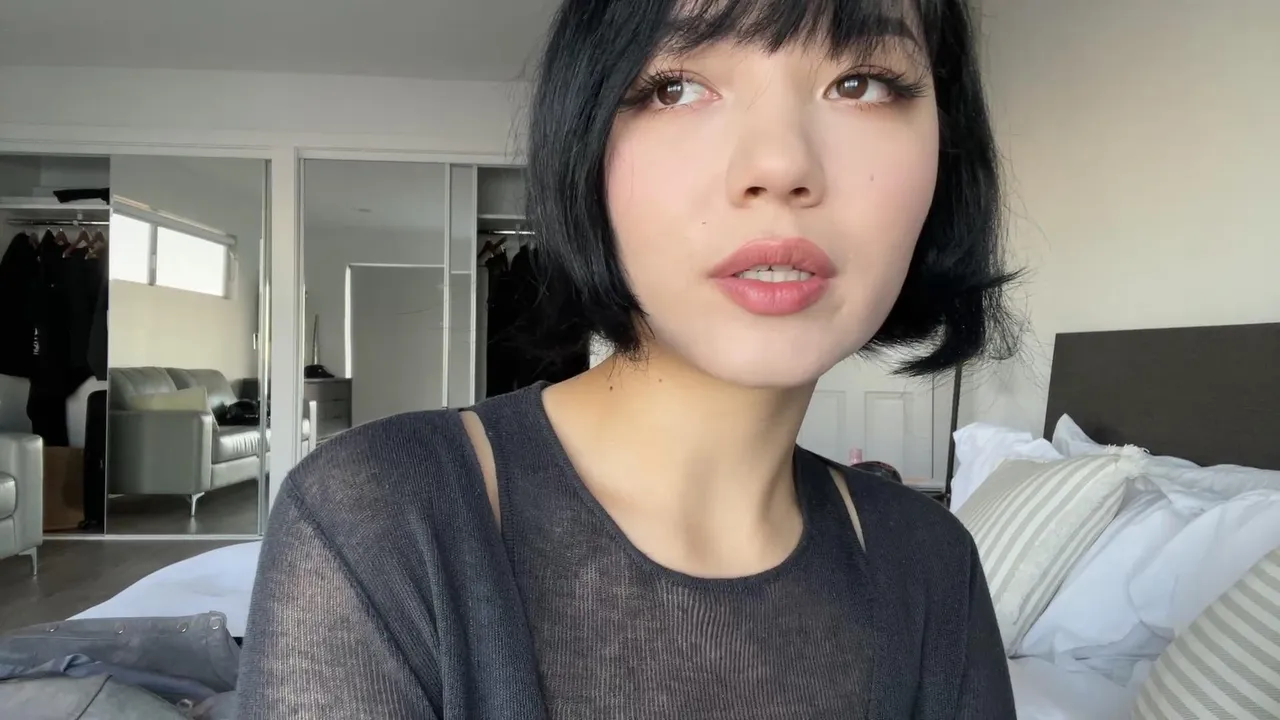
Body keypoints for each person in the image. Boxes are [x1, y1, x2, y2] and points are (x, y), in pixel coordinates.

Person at [237, 0, 1020, 717]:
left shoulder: (932, 565)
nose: (780, 165)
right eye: (676, 87)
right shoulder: (377, 517)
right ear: (584, 142)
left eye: (861, 83)